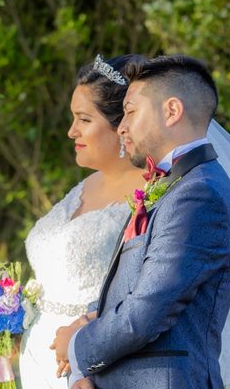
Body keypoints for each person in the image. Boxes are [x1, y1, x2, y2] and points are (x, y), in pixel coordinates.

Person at [51, 54, 230, 389]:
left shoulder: (199, 195)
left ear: (171, 111)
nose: (122, 126)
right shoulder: (174, 185)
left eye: (131, 111)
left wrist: (77, 347)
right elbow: (128, 291)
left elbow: (146, 312)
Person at [19, 54, 146, 389]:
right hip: (35, 360)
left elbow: (144, 295)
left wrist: (90, 363)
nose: (71, 130)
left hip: (91, 368)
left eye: (83, 120)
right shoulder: (83, 187)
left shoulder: (150, 194)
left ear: (121, 125)